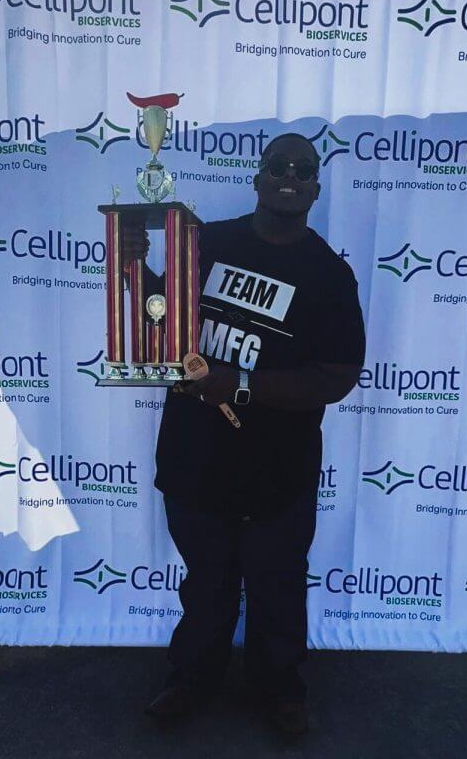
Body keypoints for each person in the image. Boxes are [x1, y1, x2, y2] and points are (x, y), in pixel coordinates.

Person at [123, 132, 365, 736]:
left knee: (277, 584)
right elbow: (167, 322)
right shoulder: (209, 242)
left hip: (277, 468)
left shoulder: (329, 276)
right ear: (257, 178)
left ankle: (280, 689)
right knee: (206, 582)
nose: (290, 176)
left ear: (315, 186)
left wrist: (239, 386)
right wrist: (134, 268)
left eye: (303, 170)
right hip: (195, 456)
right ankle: (192, 679)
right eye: (278, 166)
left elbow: (337, 377)